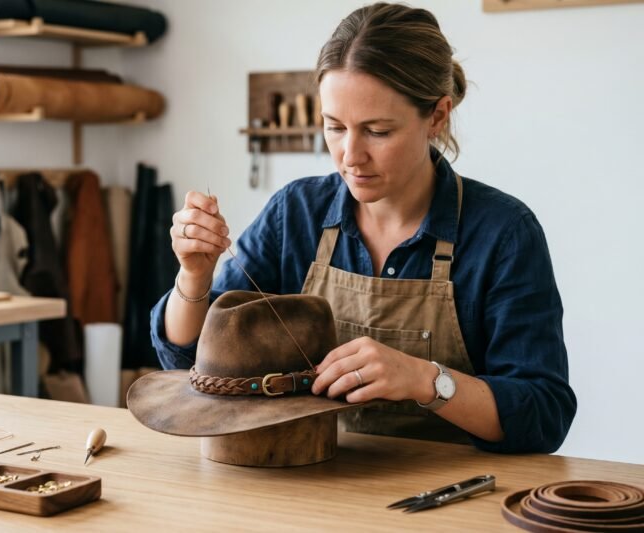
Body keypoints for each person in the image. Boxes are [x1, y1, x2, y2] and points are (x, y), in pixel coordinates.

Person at [149, 2, 576, 453]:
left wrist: (424, 378)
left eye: (377, 131)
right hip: (304, 474)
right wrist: (193, 277)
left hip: (450, 496)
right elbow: (187, 359)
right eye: (334, 127)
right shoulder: (295, 213)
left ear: (437, 115)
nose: (350, 155)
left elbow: (542, 415)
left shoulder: (504, 233)